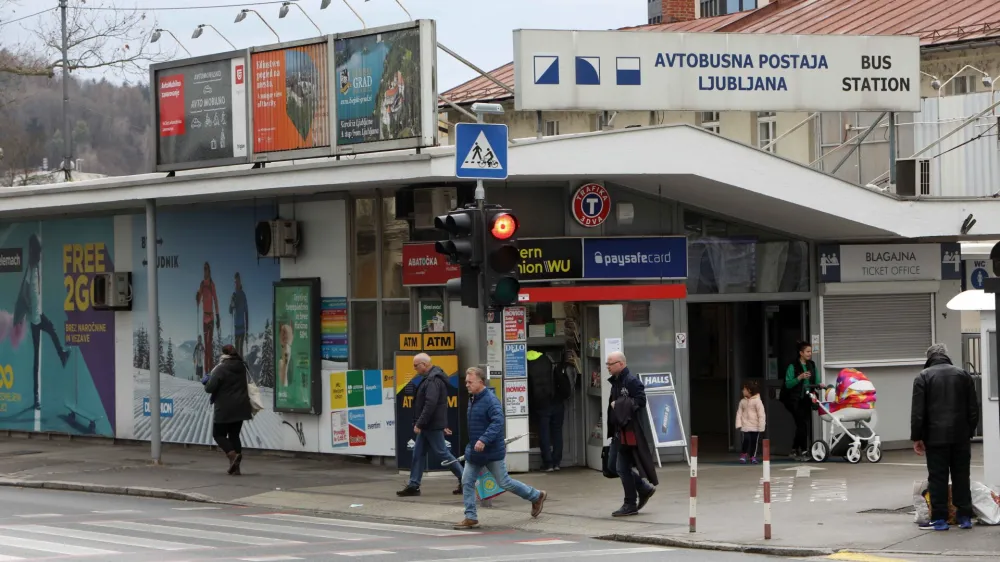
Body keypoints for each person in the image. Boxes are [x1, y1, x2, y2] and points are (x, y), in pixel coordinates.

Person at [454, 367, 547, 529]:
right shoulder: (473, 398)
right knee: (467, 481)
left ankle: (536, 495)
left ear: (480, 382)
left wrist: (484, 439)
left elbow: (498, 421)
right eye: (466, 382)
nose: (467, 385)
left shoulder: (490, 400)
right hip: (475, 452)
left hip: (491, 452)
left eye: (470, 382)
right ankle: (470, 516)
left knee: (504, 482)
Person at [911, 343, 979, 531]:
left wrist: (917, 437)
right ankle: (964, 516)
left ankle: (940, 519)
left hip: (934, 437)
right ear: (946, 356)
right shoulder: (963, 375)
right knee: (961, 475)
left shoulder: (923, 377)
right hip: (960, 436)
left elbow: (918, 412)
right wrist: (968, 431)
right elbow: (973, 408)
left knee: (938, 477)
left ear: (929, 358)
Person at [14, 234, 70, 410]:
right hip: (35, 319)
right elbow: (24, 291)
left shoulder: (37, 264)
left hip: (38, 314)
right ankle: (36, 398)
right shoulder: (31, 268)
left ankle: (62, 354)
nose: (39, 254)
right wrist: (28, 307)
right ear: (34, 251)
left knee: (52, 329)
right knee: (36, 360)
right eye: (38, 251)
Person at [397, 353, 463, 497]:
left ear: (424, 365)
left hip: (430, 425)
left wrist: (420, 423)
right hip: (430, 425)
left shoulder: (432, 380)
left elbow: (430, 404)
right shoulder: (430, 378)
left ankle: (466, 479)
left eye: (416, 365)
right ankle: (414, 485)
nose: (414, 368)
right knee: (418, 453)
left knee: (442, 453)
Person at [606, 351, 658, 517]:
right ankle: (643, 488)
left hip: (628, 432)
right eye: (607, 363)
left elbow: (641, 400)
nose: (607, 367)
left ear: (621, 364)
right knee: (612, 466)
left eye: (610, 363)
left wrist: (619, 404)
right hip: (618, 431)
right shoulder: (616, 381)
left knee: (622, 467)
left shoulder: (631, 381)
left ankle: (630, 503)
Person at [203, 344, 253, 475]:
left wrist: (206, 381)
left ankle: (232, 456)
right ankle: (236, 468)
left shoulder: (221, 368)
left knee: (218, 434)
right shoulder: (242, 366)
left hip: (224, 408)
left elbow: (209, 388)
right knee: (234, 435)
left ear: (223, 354)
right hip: (241, 407)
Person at [783, 341, 820, 461]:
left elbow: (816, 380)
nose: (810, 354)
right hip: (794, 400)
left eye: (810, 351)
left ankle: (794, 449)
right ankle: (804, 451)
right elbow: (788, 384)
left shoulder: (812, 365)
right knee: (802, 424)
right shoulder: (792, 366)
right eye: (807, 351)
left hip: (807, 398)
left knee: (803, 425)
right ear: (801, 353)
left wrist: (819, 385)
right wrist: (800, 377)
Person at [527, 349, 558, 471]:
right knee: (556, 431)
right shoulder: (547, 360)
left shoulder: (524, 361)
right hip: (553, 400)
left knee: (543, 432)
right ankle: (556, 462)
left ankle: (548, 463)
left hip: (539, 402)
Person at [195, 262, 220, 372]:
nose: (205, 271)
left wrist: (218, 316)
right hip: (205, 318)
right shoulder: (202, 284)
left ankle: (210, 370)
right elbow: (199, 299)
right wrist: (197, 297)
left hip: (211, 318)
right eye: (204, 269)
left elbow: (215, 300)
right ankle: (206, 372)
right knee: (206, 345)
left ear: (209, 271)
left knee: (209, 345)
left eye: (206, 269)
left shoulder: (211, 284)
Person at [736, 380, 766, 465]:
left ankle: (753, 456)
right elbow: (739, 413)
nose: (742, 391)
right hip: (745, 425)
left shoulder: (757, 401)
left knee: (754, 441)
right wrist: (739, 424)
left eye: (744, 389)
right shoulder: (742, 402)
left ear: (749, 390)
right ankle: (744, 453)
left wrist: (761, 426)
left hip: (755, 426)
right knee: (746, 439)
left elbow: (761, 414)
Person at [229, 273, 249, 358]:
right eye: (235, 281)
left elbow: (246, 311)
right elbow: (230, 311)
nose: (236, 283)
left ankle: (240, 369)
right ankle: (239, 369)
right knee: (237, 350)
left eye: (238, 281)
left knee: (240, 350)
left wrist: (247, 326)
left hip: (242, 328)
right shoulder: (234, 295)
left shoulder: (243, 295)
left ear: (240, 282)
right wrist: (232, 302)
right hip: (237, 328)